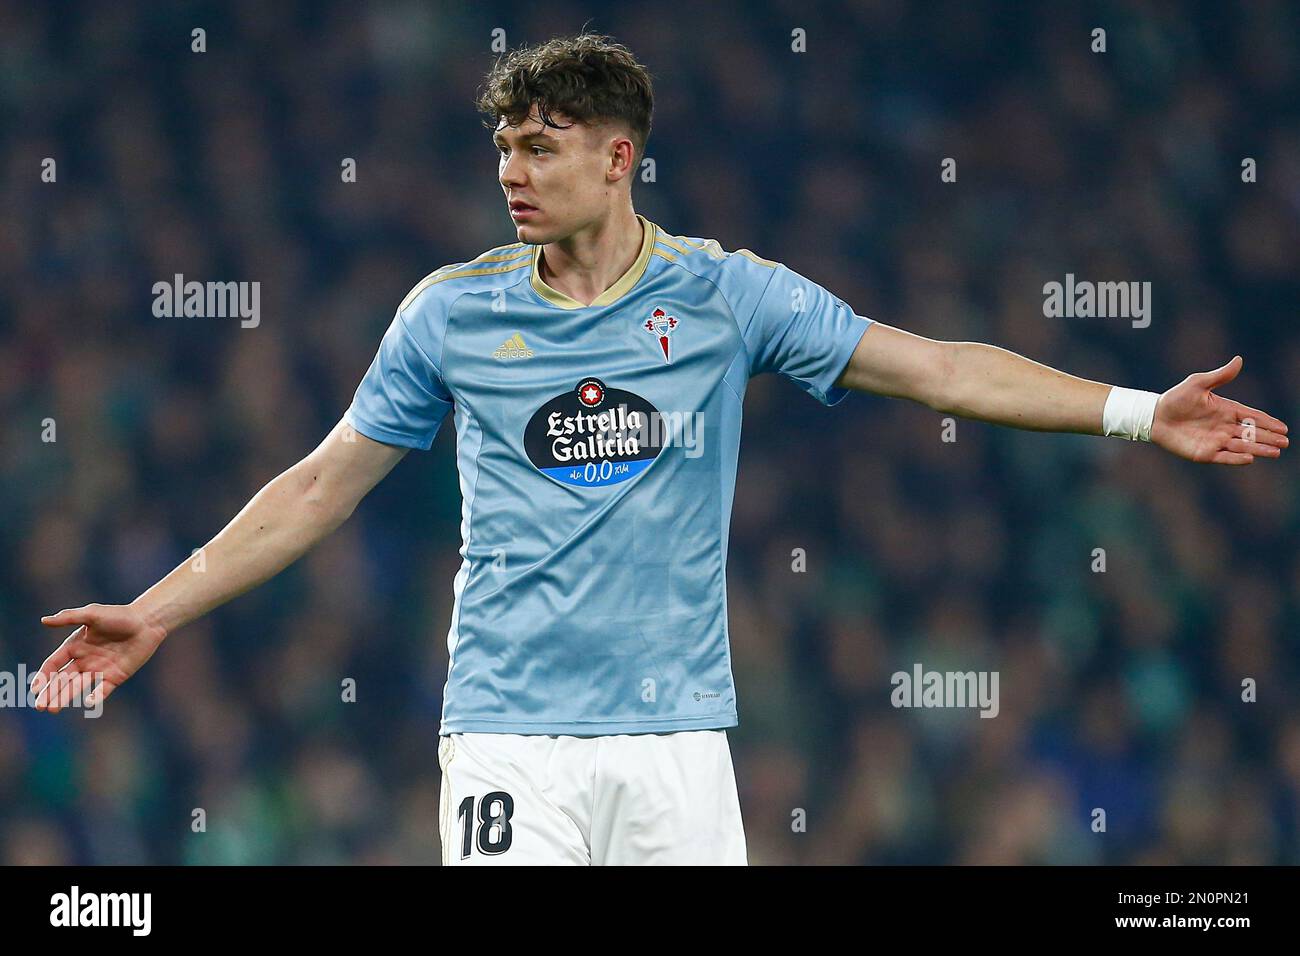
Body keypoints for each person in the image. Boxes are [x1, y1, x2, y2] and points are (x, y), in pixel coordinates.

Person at [31, 33, 1290, 866]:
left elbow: (939, 367)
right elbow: (319, 484)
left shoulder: (730, 296)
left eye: (542, 145)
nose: (513, 171)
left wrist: (1137, 409)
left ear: (617, 155)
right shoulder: (452, 312)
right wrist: (157, 608)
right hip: (510, 736)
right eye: (505, 147)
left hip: (680, 743)